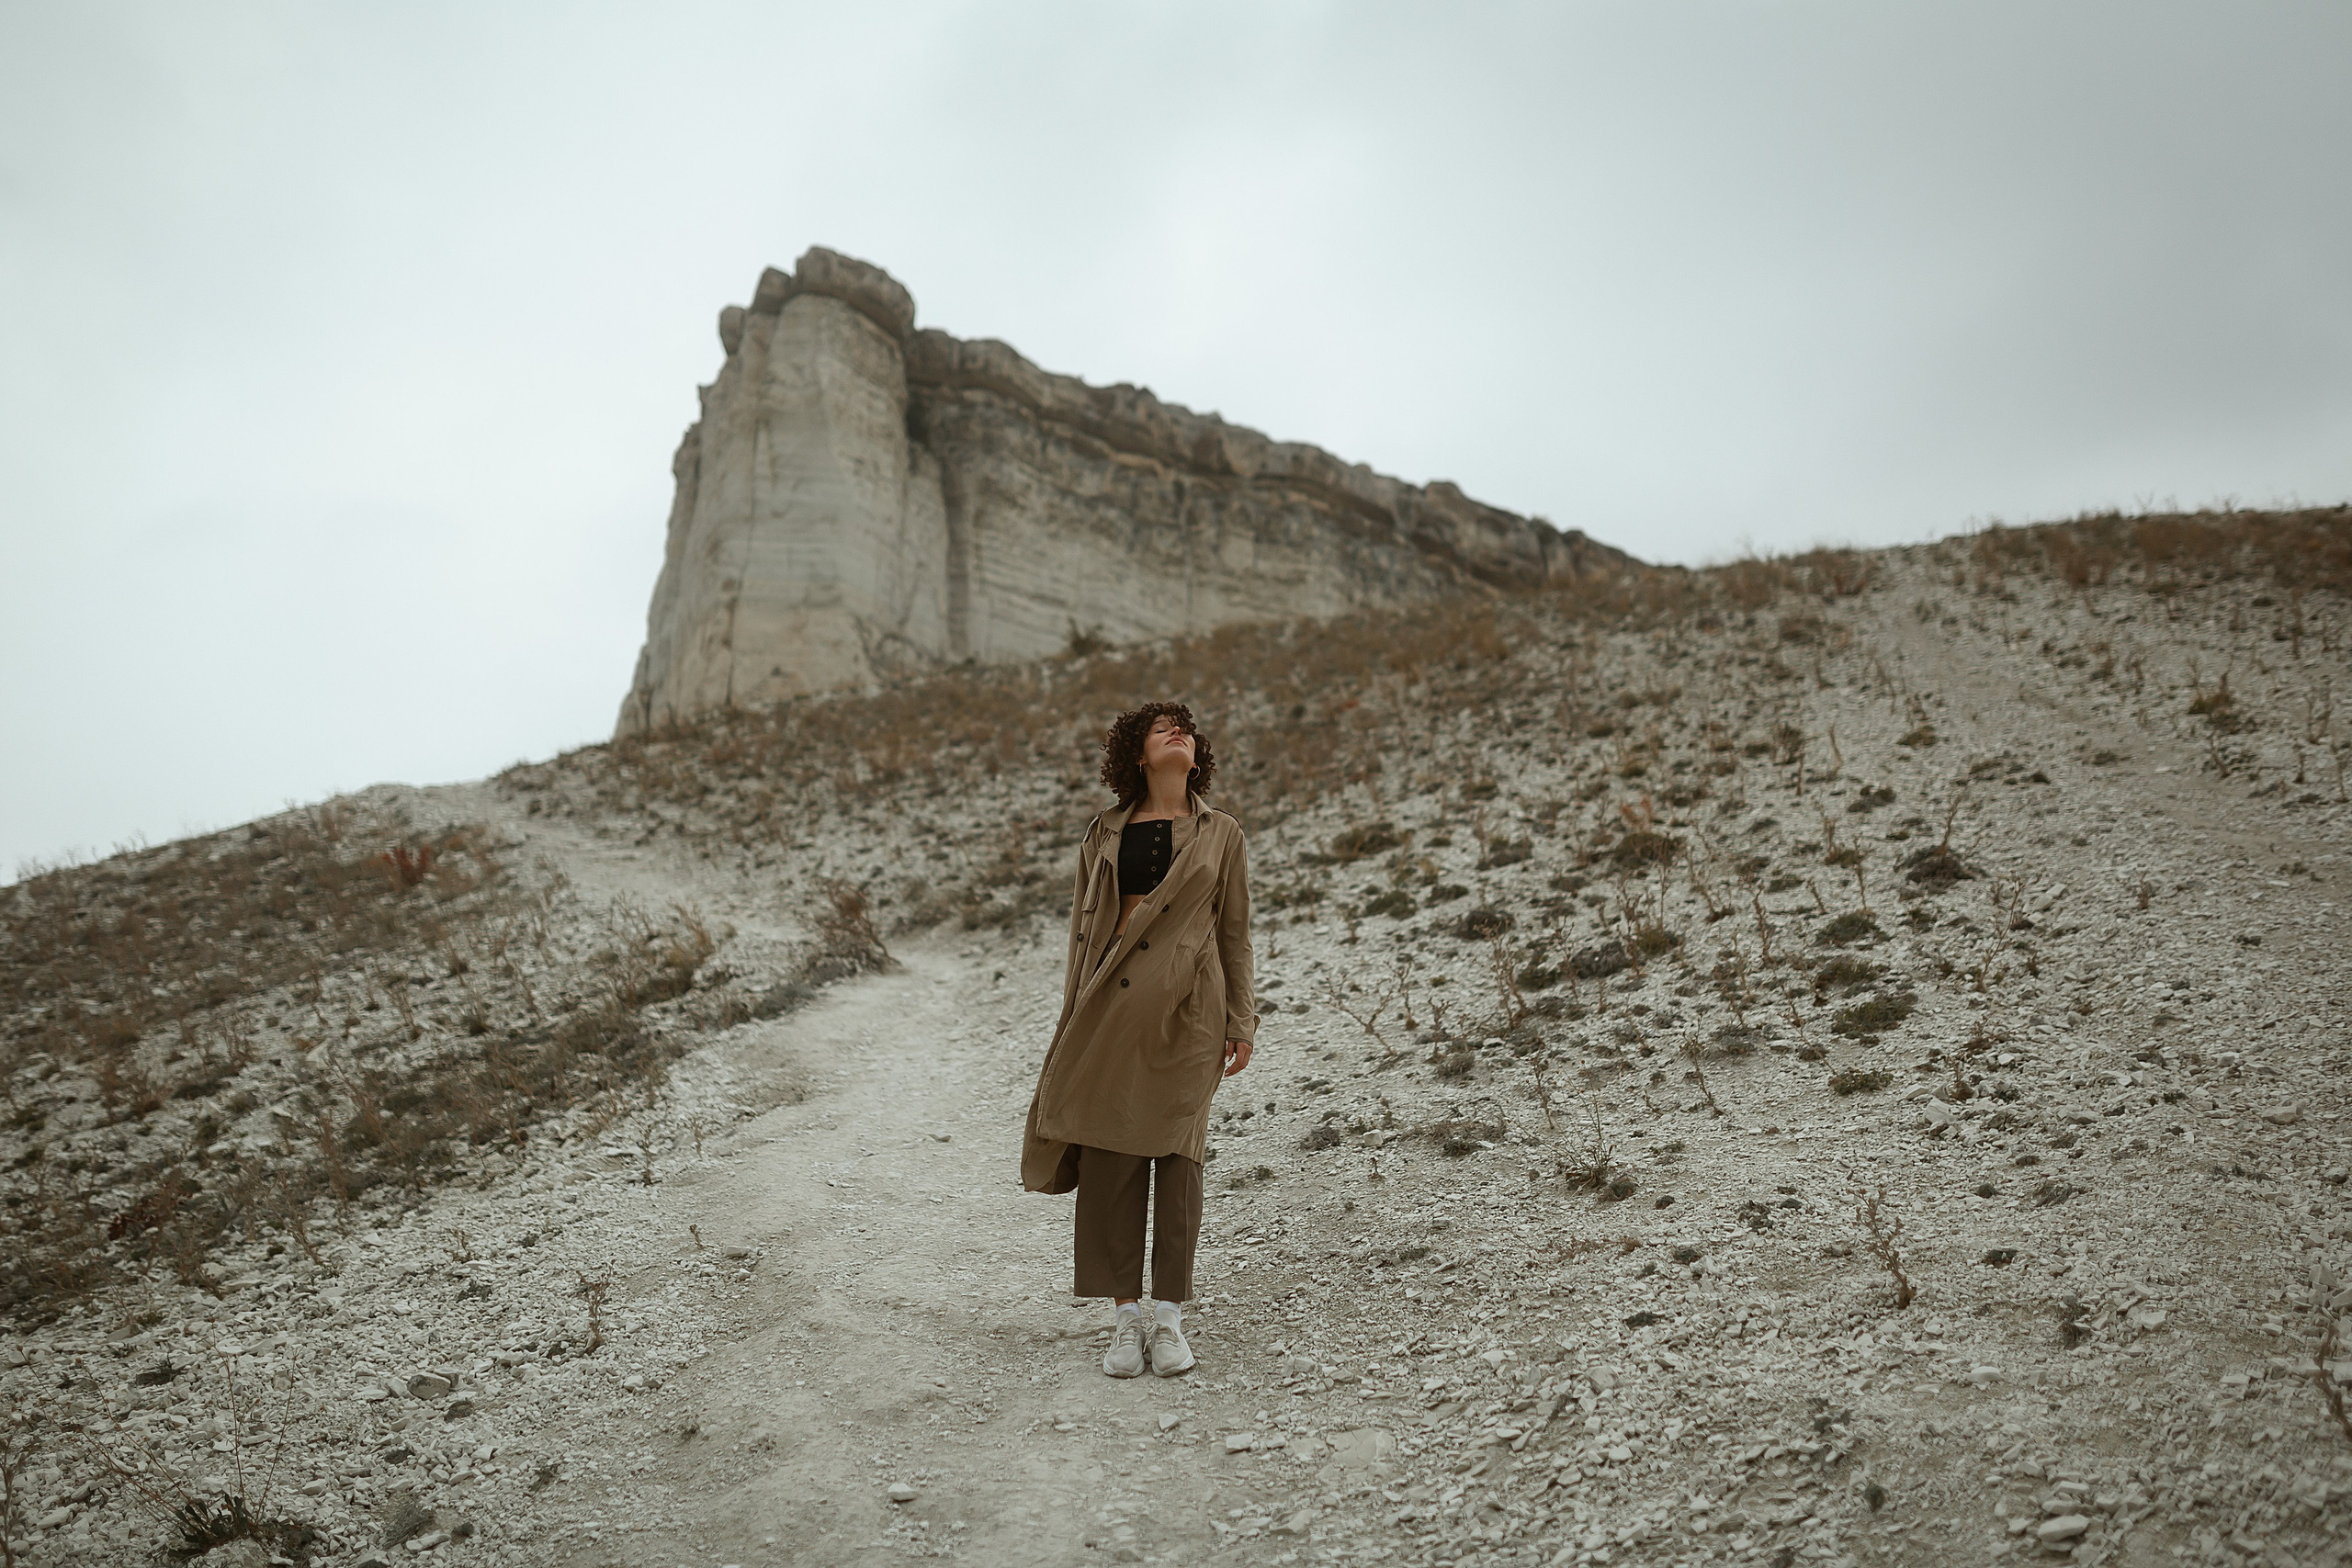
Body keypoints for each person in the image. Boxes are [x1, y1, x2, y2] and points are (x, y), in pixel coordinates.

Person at [1021, 702, 1257, 1379]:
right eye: (1161, 729)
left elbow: (1235, 934)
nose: (1177, 731)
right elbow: (1081, 932)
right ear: (1138, 754)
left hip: (1190, 1013)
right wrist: (1071, 1016)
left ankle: (1171, 1320)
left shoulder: (1223, 834)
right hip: (1108, 1009)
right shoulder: (1103, 833)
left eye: (1184, 726)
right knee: (1110, 1160)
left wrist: (1242, 1019)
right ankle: (1125, 1320)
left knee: (1180, 1160)